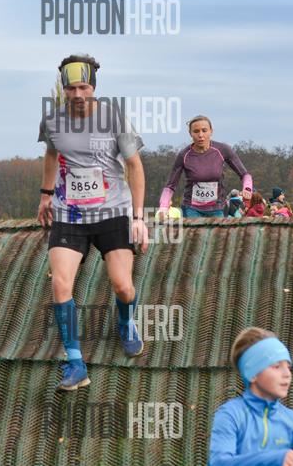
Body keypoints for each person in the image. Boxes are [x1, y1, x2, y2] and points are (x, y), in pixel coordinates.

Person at [37, 54, 149, 391]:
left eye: (83, 87)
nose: (77, 94)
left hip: (112, 212)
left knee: (123, 286)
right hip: (69, 214)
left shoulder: (114, 118)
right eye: (71, 88)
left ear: (94, 87)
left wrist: (139, 218)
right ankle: (75, 363)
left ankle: (125, 322)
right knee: (60, 284)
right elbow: (51, 155)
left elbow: (135, 166)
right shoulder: (52, 121)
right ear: (63, 89)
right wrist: (45, 195)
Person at [208, 327, 293, 466]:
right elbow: (219, 463)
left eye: (288, 367)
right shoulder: (230, 415)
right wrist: (275, 459)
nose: (287, 374)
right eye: (276, 366)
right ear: (252, 373)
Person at [158, 115, 253, 218]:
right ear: (190, 133)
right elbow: (170, 186)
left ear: (211, 131)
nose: (200, 135)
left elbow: (245, 174)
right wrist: (163, 206)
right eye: (196, 131)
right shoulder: (184, 155)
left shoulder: (223, 150)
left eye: (204, 130)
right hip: (191, 208)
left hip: (217, 208)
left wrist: (247, 188)